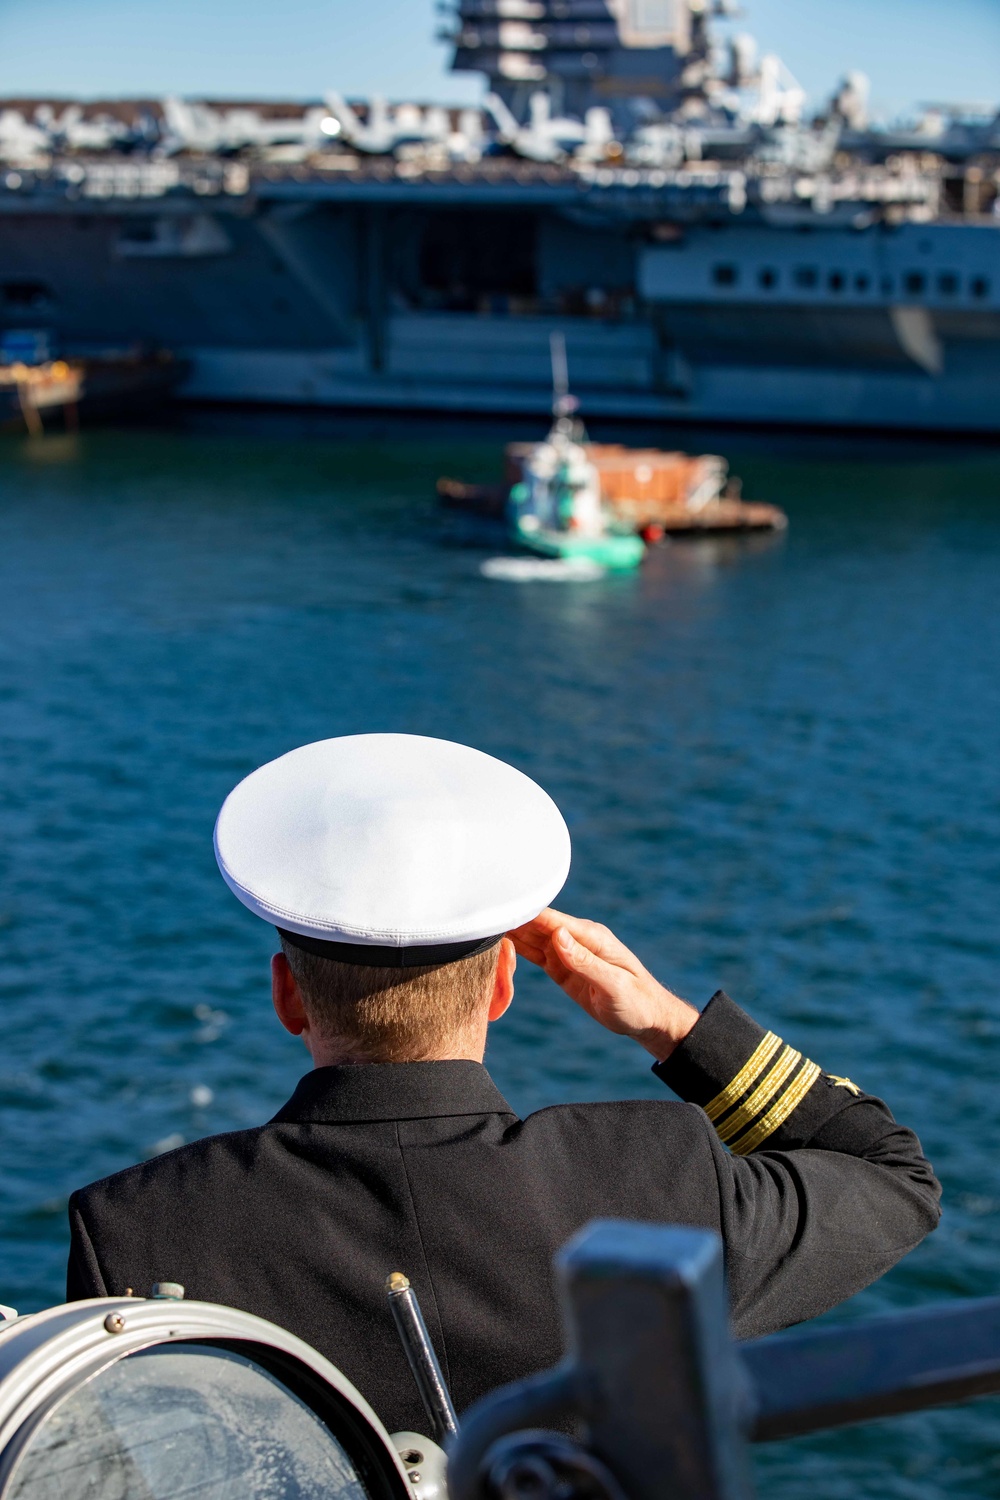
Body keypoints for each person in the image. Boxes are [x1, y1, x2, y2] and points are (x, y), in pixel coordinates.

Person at [67, 734, 940, 1436]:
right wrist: (673, 1027)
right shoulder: (656, 1181)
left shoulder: (137, 1231)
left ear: (287, 995)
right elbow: (892, 1176)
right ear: (502, 988)